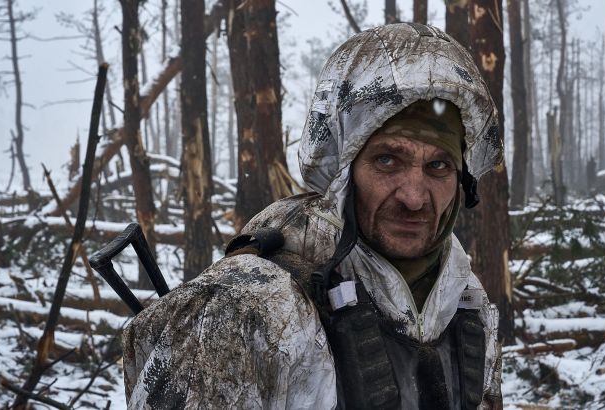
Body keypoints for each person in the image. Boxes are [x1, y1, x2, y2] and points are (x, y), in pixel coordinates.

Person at [123, 23, 503, 409]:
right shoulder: (247, 310)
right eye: (388, 160)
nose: (414, 197)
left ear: (461, 180)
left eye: (438, 165)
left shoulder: (465, 301)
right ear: (344, 172)